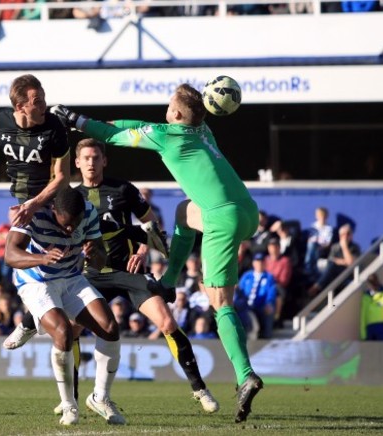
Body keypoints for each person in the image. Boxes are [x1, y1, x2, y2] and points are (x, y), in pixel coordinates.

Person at [50, 83, 263, 423]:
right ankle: (169, 279)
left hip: (221, 217)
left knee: (220, 302)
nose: (165, 108)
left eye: (169, 105)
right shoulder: (201, 128)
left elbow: (116, 135)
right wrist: (90, 122)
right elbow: (128, 126)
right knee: (184, 212)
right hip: (248, 211)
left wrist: (75, 120)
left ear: (176, 114)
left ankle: (245, 375)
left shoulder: (168, 136)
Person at [4, 187, 125, 426]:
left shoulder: (88, 212)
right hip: (36, 280)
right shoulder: (33, 212)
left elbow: (100, 260)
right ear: (53, 210)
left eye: (75, 224)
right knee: (63, 331)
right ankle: (69, 406)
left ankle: (100, 397)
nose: (70, 230)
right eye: (66, 224)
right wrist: (42, 258)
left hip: (70, 277)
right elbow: (10, 255)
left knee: (109, 328)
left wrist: (94, 255)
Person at [0, 73, 70, 226]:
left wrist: (34, 205)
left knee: (18, 246)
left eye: (44, 98)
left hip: (52, 201)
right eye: (37, 101)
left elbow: (63, 178)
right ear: (20, 107)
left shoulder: (54, 126)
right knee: (13, 247)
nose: (44, 105)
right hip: (22, 201)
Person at [308, 224, 361, 297]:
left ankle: (316, 287)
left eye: (348, 234)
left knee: (332, 267)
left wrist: (344, 247)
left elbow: (351, 263)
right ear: (340, 236)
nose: (345, 236)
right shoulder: (335, 247)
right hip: (334, 273)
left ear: (351, 235)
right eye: (343, 234)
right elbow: (331, 261)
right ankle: (317, 290)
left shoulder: (355, 247)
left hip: (348, 274)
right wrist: (344, 261)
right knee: (329, 267)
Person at [235, 253, 277, 339]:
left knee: (268, 311)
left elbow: (271, 293)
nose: (259, 264)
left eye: (261, 262)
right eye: (257, 262)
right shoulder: (247, 276)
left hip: (260, 306)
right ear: (253, 263)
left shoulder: (269, 277)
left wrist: (269, 303)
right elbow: (240, 290)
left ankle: (266, 338)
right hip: (245, 305)